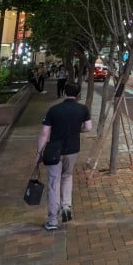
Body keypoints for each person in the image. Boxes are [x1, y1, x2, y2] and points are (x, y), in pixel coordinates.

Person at [37, 82, 92, 230]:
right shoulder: (83, 109)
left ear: (64, 93)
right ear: (78, 94)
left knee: (54, 182)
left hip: (54, 151)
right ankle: (66, 205)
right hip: (73, 150)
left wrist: (39, 152)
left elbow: (44, 133)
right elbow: (88, 128)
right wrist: (76, 129)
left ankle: (53, 220)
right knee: (67, 177)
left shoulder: (54, 110)